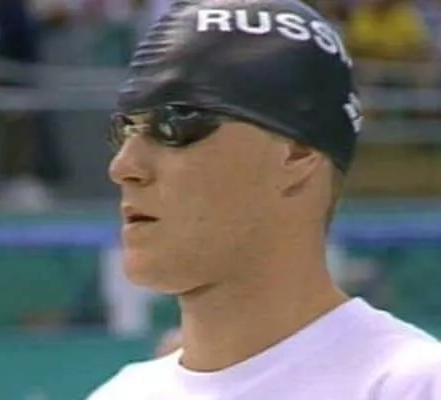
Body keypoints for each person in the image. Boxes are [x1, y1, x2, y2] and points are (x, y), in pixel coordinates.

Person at [86, 0, 441, 399]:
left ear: (297, 154)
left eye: (175, 123)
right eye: (124, 130)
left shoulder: (411, 385)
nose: (123, 166)